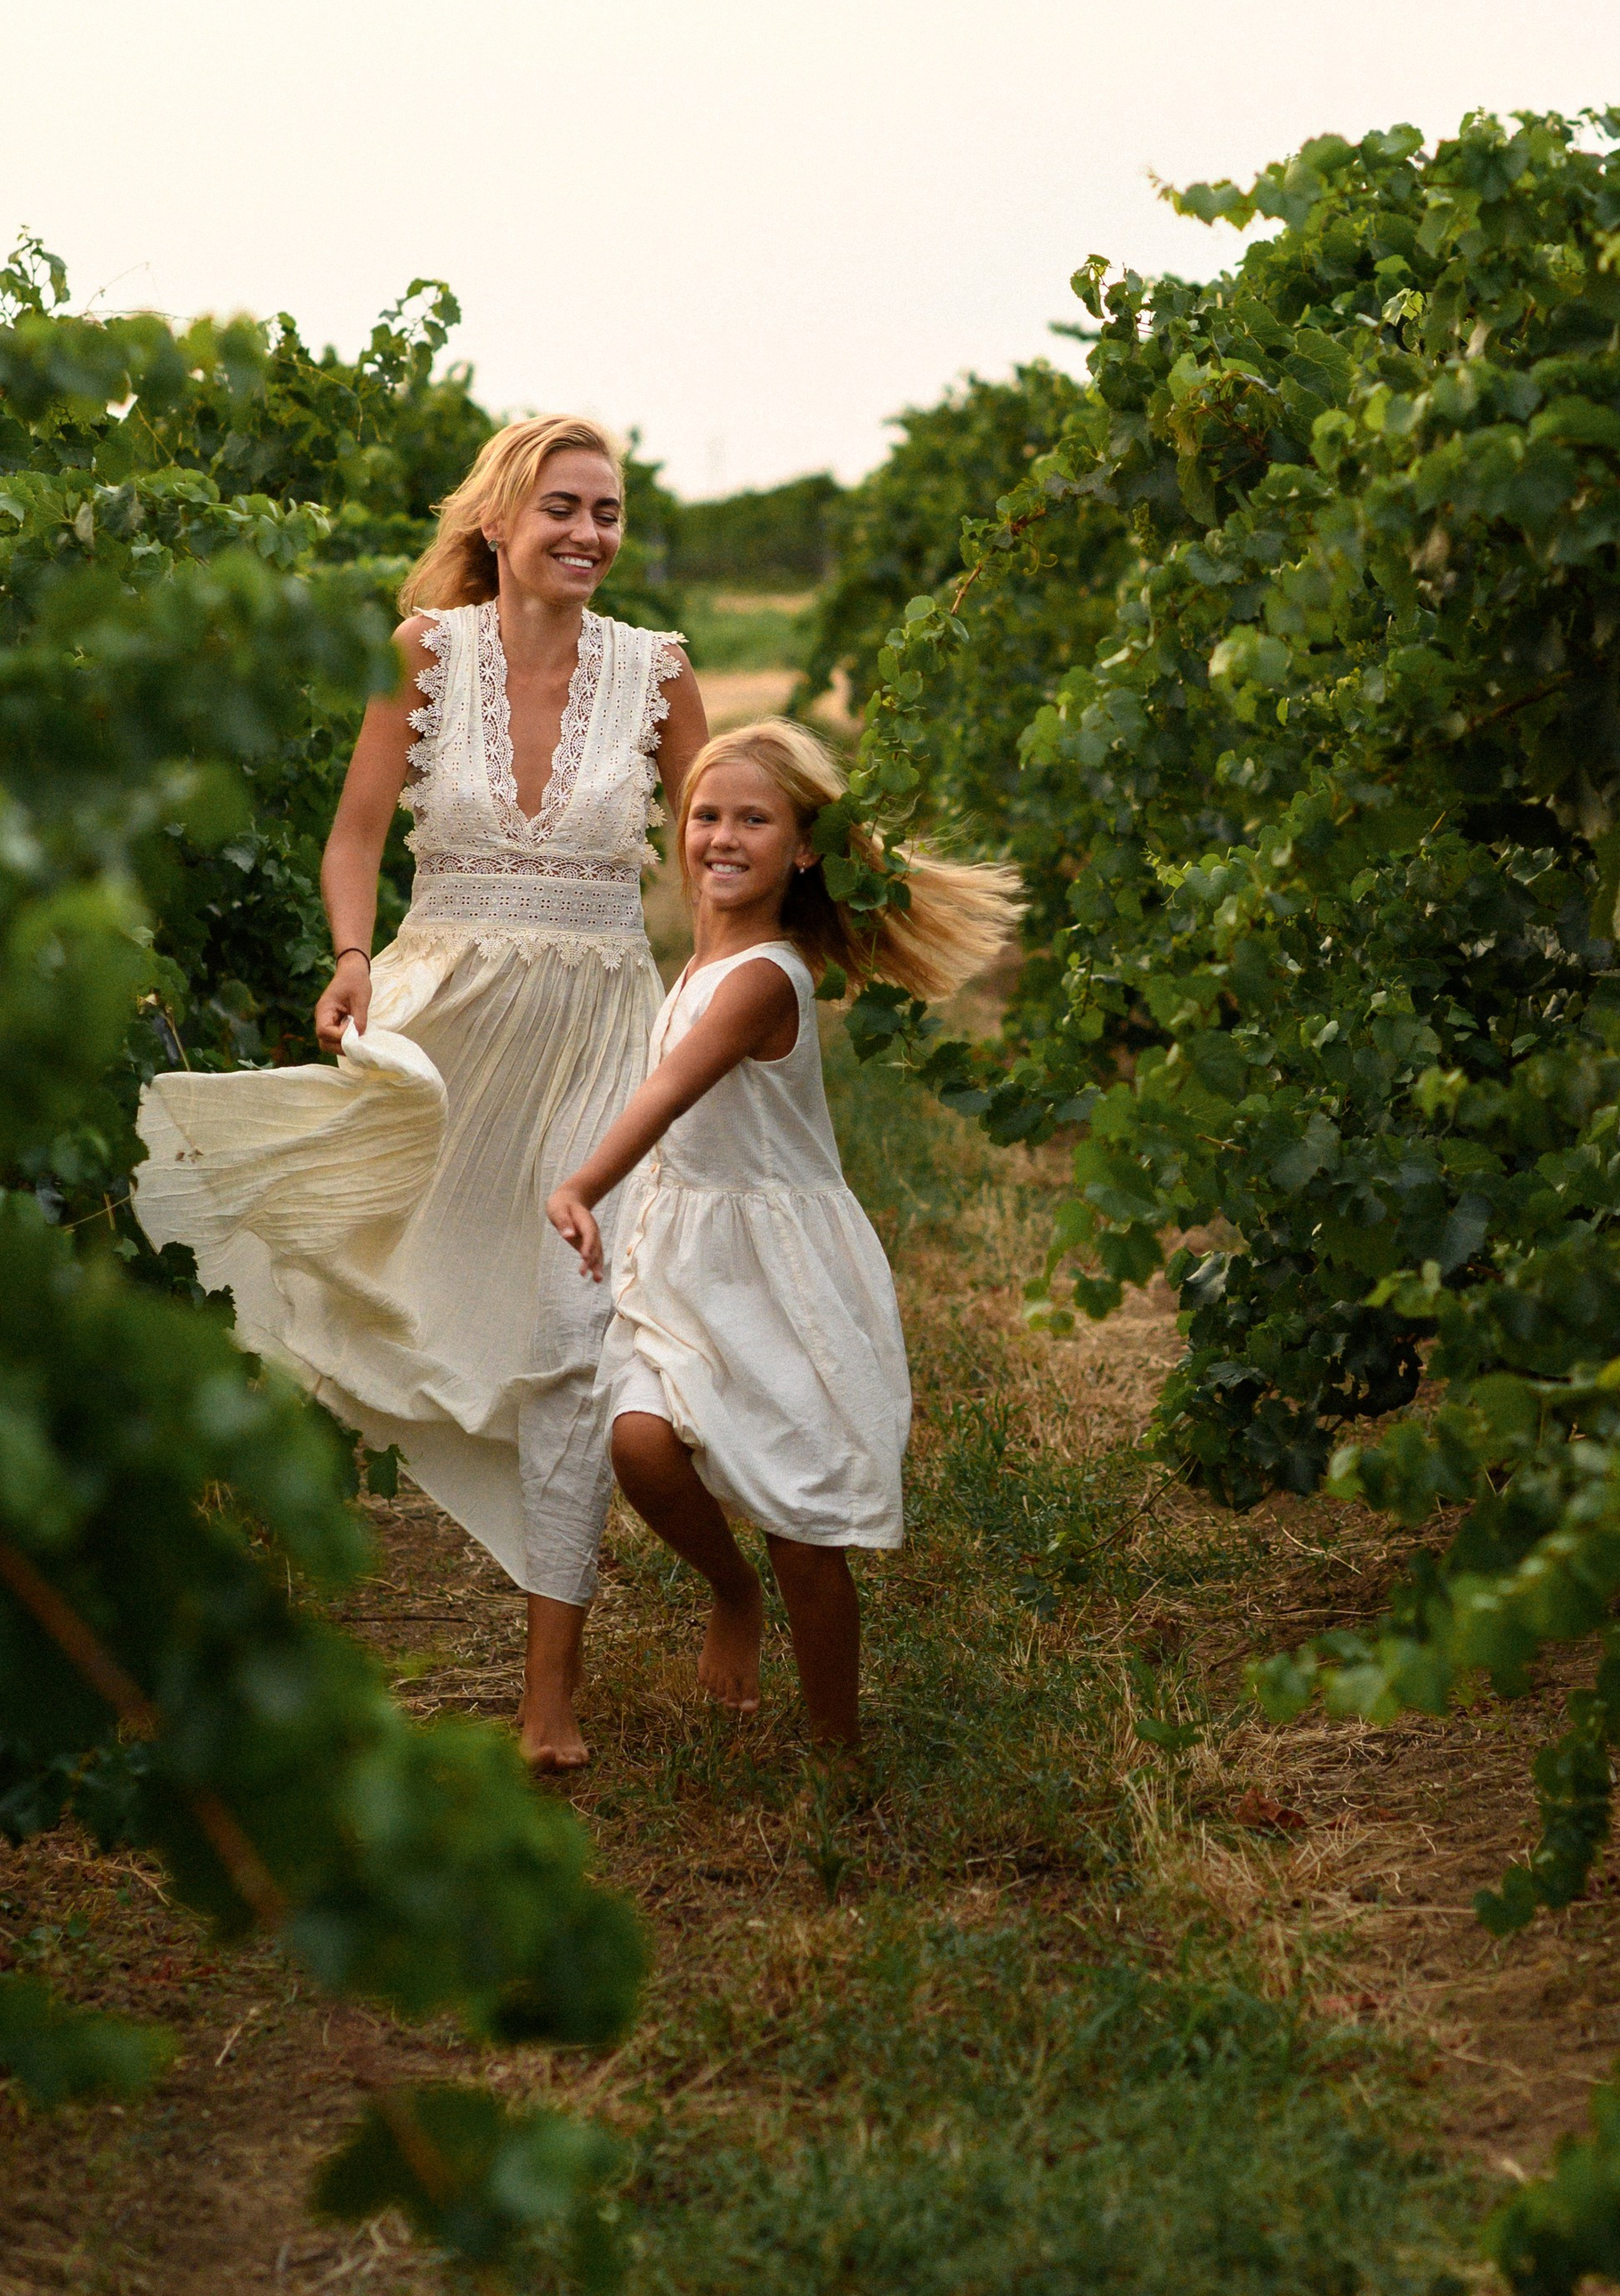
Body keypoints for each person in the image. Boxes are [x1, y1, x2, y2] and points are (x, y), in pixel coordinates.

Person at [134, 415, 707, 1775]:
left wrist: (735, 1005)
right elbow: (356, 837)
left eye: (609, 513)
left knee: (571, 1339)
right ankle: (238, 1626)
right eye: (562, 507)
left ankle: (548, 1696)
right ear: (497, 523)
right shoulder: (423, 656)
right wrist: (348, 959)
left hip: (592, 1037)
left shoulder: (661, 672)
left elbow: (716, 850)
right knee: (356, 1277)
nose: (588, 533)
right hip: (439, 1024)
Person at [545, 720, 1019, 1764]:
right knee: (639, 1442)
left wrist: (584, 1181)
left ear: (802, 847)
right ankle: (729, 1591)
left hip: (774, 1271)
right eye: (705, 815)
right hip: (682, 1257)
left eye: (753, 819)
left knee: (805, 1521)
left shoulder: (765, 976)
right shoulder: (698, 962)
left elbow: (672, 1091)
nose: (721, 835)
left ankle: (836, 1747)